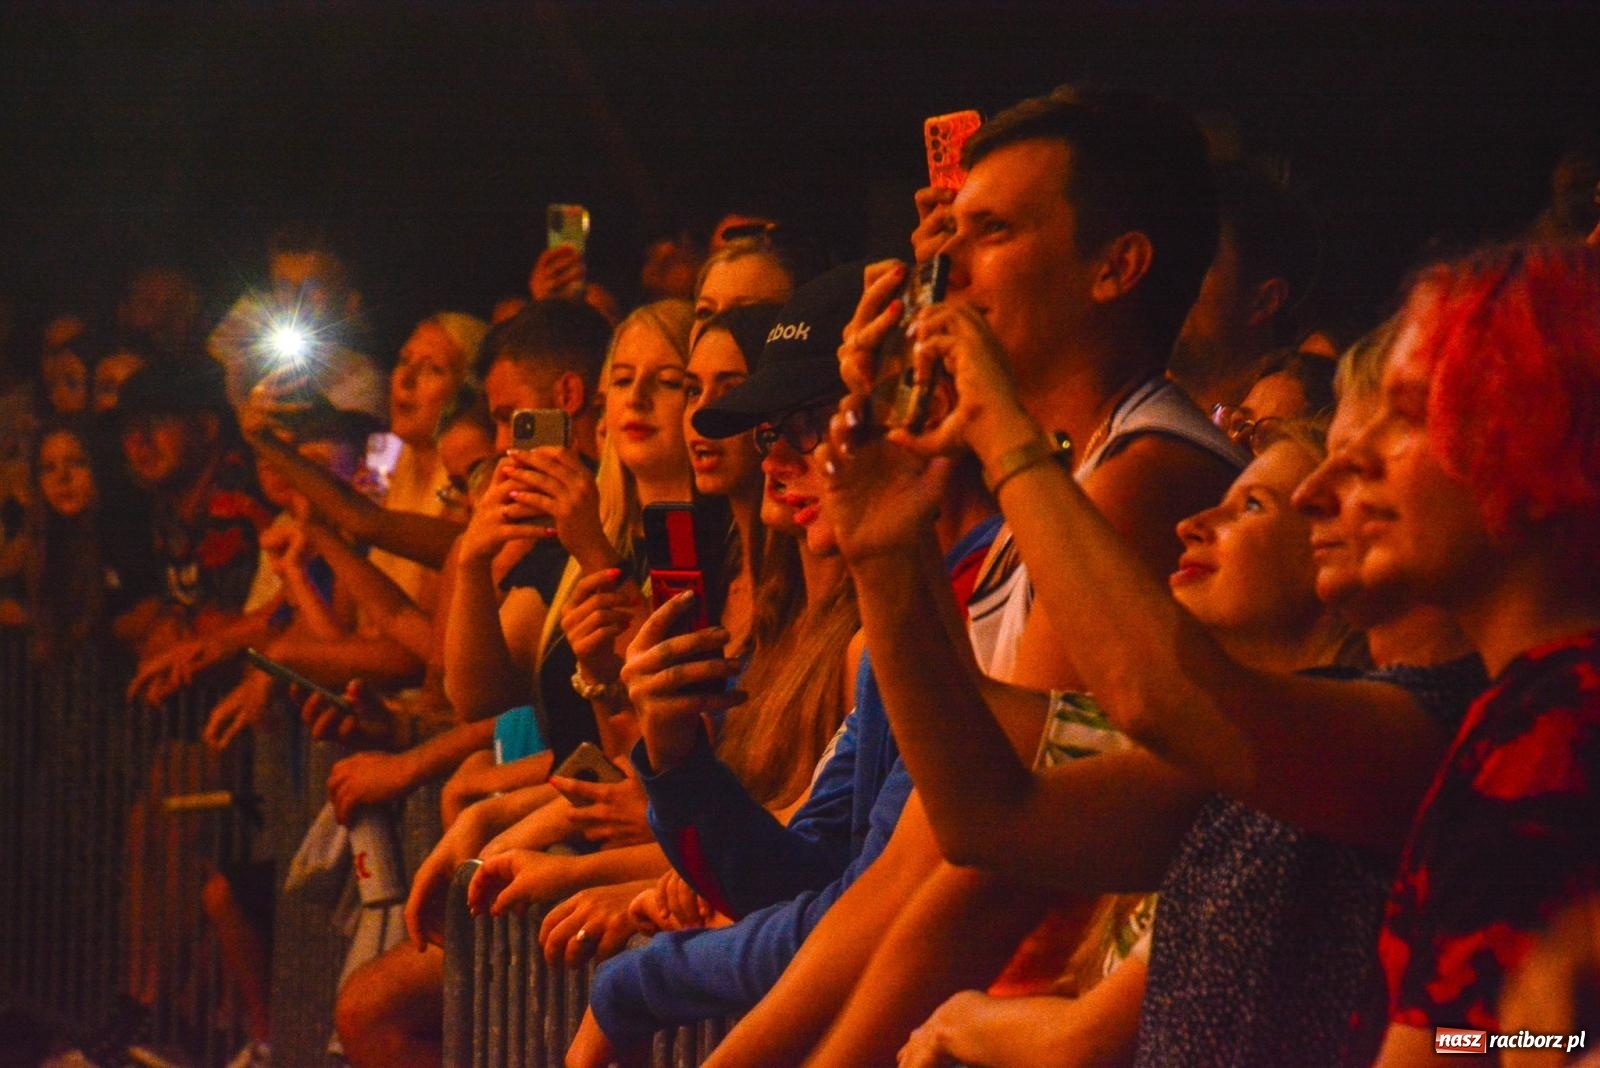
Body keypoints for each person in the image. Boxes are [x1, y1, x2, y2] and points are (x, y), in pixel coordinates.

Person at [1347, 243, 1600, 1065]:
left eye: (1411, 411)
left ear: (1533, 423)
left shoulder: (1548, 731)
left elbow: (1493, 1046)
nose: (1353, 454)